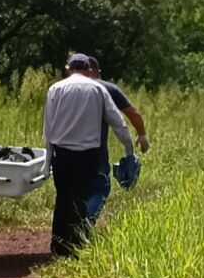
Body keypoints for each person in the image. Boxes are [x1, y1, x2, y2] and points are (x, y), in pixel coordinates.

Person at [43, 53, 134, 257]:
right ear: (88, 69)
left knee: (64, 197)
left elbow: (48, 127)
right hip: (88, 154)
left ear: (68, 69)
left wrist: (47, 159)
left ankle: (58, 243)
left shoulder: (55, 89)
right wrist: (129, 149)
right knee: (81, 198)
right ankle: (76, 244)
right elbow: (118, 122)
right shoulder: (97, 89)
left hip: (62, 153)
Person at [86, 56, 149, 222]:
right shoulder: (107, 88)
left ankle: (68, 230)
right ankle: (85, 224)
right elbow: (131, 115)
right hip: (95, 149)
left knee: (71, 190)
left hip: (65, 149)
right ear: (96, 71)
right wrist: (141, 135)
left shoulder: (63, 89)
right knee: (100, 188)